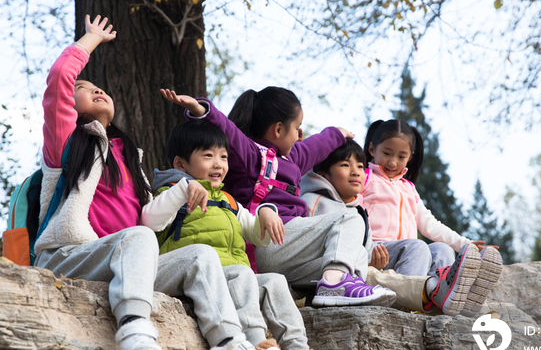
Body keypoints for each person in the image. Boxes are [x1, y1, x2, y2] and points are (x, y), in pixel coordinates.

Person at [35, 14, 296, 350]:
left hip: (125, 258)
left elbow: (148, 220)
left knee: (201, 256)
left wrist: (181, 192)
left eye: (99, 87)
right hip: (71, 256)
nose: (95, 89)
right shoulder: (66, 146)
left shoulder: (130, 158)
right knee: (139, 238)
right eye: (84, 88)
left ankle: (230, 348)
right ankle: (134, 329)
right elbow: (60, 79)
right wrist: (91, 39)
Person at [159, 88, 395, 307]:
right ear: (279, 130)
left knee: (355, 256)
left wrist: (337, 134)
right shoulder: (252, 154)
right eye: (297, 127)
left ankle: (336, 287)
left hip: (285, 250)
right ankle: (334, 285)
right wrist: (202, 110)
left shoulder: (292, 159)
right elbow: (229, 130)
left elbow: (316, 146)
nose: (300, 134)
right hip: (266, 240)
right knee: (349, 218)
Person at [141, 119, 321, 350]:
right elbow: (149, 220)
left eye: (223, 157)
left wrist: (267, 212)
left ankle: (298, 349)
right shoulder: (172, 193)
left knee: (274, 281)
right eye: (208, 155)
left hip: (236, 280)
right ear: (181, 164)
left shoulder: (228, 201)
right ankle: (257, 343)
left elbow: (259, 237)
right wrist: (183, 189)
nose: (218, 164)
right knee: (242, 273)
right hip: (198, 278)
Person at [359, 119, 503, 316]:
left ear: (410, 157)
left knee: (441, 250)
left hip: (406, 254)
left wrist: (467, 246)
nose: (393, 162)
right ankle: (404, 302)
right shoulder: (364, 178)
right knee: (417, 246)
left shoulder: (408, 188)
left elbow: (430, 225)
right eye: (386, 153)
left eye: (401, 156)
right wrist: (361, 248)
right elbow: (352, 214)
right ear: (371, 149)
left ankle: (443, 302)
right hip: (375, 250)